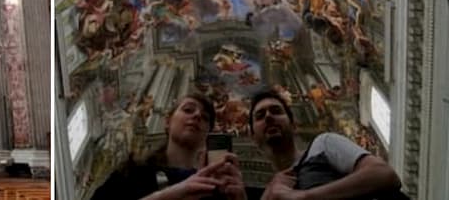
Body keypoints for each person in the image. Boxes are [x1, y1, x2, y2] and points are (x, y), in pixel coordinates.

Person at [249, 89, 402, 200]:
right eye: (260, 116)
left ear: (294, 126)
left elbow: (384, 174)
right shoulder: (272, 193)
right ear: (253, 138)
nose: (268, 116)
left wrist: (305, 197)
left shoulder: (323, 144)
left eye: (276, 111)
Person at [93, 93, 246, 199]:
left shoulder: (216, 187)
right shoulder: (131, 173)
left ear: (209, 134)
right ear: (167, 122)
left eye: (205, 118)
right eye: (188, 110)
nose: (197, 115)